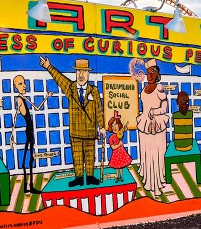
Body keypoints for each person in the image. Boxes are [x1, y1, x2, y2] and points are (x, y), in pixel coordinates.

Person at [39, 57, 106, 187]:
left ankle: (90, 176)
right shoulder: (71, 88)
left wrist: (102, 126)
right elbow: (59, 79)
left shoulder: (94, 91)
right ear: (75, 73)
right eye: (78, 71)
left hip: (90, 131)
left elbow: (99, 110)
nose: (81, 75)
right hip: (75, 131)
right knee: (77, 156)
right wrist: (48, 66)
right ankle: (79, 177)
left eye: (84, 71)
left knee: (90, 154)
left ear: (88, 73)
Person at [10, 75, 52, 194]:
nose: (24, 86)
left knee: (29, 158)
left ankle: (29, 186)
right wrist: (12, 135)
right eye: (20, 84)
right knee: (26, 159)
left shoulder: (25, 98)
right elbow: (16, 117)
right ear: (15, 87)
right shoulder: (19, 99)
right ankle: (27, 186)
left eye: (24, 83)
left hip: (30, 130)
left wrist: (45, 98)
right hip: (26, 131)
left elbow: (37, 108)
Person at [135, 59, 168, 196]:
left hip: (157, 124)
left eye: (152, 73)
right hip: (144, 124)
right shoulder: (143, 88)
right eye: (148, 73)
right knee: (147, 152)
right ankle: (148, 180)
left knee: (156, 154)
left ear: (157, 74)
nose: (149, 76)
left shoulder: (159, 88)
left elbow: (164, 107)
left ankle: (157, 182)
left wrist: (154, 112)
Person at [107, 111, 132, 182]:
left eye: (116, 125)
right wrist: (119, 144)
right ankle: (117, 177)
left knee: (121, 166)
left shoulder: (120, 133)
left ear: (119, 125)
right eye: (112, 126)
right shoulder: (111, 137)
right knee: (117, 167)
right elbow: (113, 147)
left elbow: (124, 129)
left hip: (121, 153)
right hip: (116, 154)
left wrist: (125, 128)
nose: (114, 127)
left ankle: (121, 176)